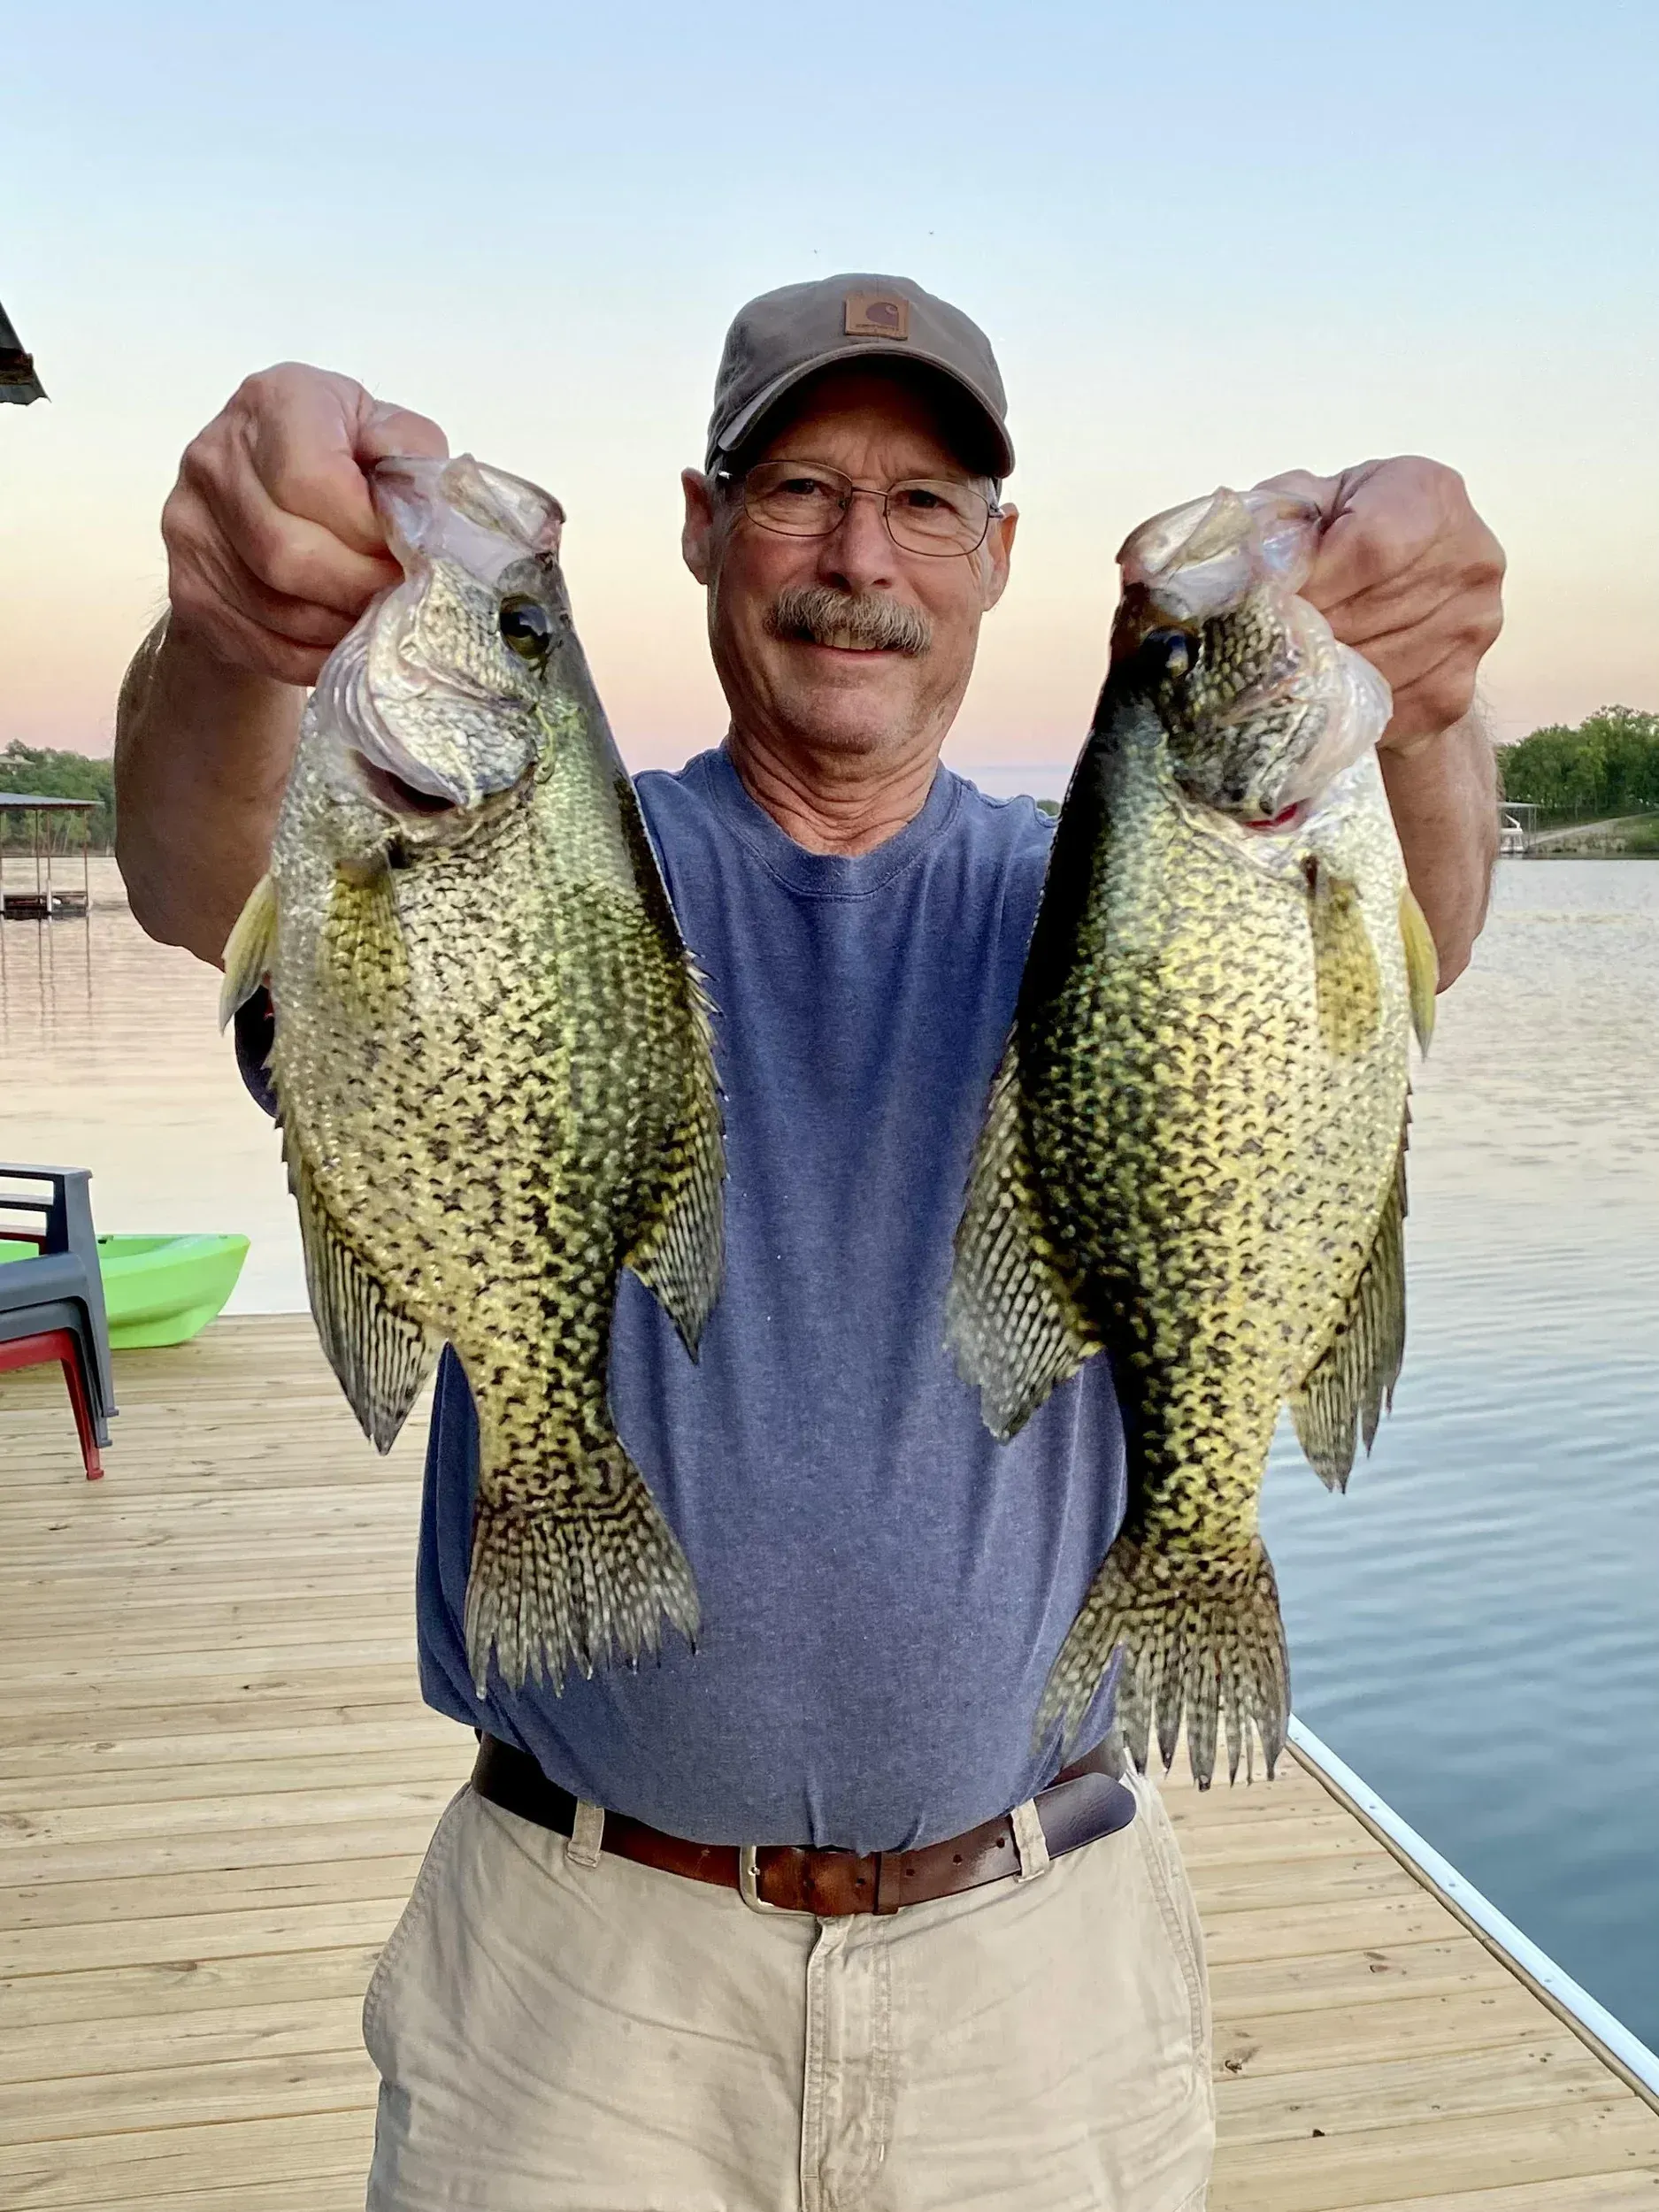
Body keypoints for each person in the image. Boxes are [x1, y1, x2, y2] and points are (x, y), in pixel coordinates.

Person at [114, 273, 1502, 2212]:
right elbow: (198, 867)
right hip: (574, 1971)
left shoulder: (1095, 890)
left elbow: (1405, 938)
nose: (860, 558)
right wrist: (223, 641)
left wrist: (1422, 713)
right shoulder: (585, 850)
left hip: (1041, 1968)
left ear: (999, 557)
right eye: (797, 489)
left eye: (924, 500)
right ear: (700, 524)